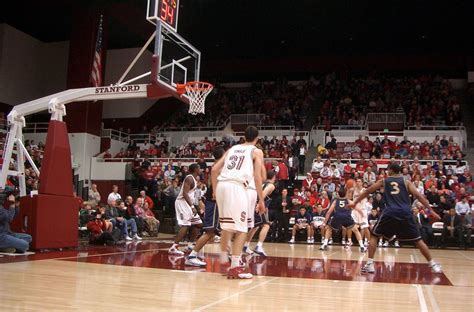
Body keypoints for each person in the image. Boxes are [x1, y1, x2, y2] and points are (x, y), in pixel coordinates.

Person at [351, 163, 442, 273]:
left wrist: (355, 202)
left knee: (374, 235)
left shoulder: (385, 181)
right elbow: (418, 196)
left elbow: (368, 191)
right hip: (405, 213)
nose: (387, 172)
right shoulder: (406, 182)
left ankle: (370, 264)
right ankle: (432, 264)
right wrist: (430, 210)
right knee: (418, 240)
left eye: (388, 170)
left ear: (391, 170)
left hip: (390, 212)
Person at [211, 126, 265, 279]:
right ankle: (235, 266)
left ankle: (224, 256)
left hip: (221, 186)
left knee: (227, 225)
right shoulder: (255, 151)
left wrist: (215, 191)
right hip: (236, 187)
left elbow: (215, 169)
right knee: (242, 229)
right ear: (257, 138)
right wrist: (261, 200)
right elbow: (258, 177)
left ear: (243, 136)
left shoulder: (232, 148)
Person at [185, 146, 225, 266]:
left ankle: (232, 256)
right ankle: (192, 254)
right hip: (213, 203)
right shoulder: (218, 168)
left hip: (215, 203)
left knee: (217, 232)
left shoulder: (217, 167)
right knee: (210, 232)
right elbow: (215, 190)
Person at [168, 163, 203, 255]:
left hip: (187, 204)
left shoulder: (194, 179)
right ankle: (174, 247)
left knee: (198, 224)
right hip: (182, 203)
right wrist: (192, 207)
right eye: (199, 168)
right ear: (196, 169)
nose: (201, 170)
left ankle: (190, 244)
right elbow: (185, 193)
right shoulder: (189, 178)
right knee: (185, 225)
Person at [243, 171, 276, 257]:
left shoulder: (261, 184)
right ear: (274, 178)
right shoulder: (271, 185)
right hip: (258, 206)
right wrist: (259, 204)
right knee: (266, 225)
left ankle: (246, 245)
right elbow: (264, 193)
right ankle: (259, 246)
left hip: (253, 204)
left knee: (255, 226)